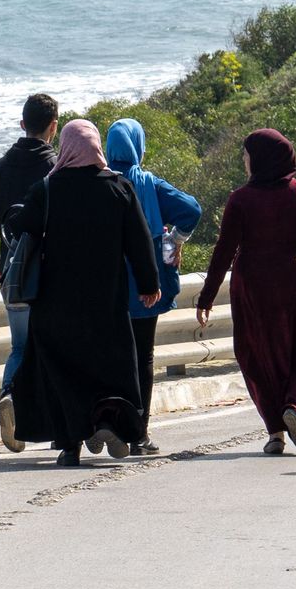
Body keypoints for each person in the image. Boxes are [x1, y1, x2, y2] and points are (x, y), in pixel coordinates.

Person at [5, 120, 162, 467]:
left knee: (63, 372)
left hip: (56, 302)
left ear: (65, 148)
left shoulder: (47, 189)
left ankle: (70, 446)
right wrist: (150, 284)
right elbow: (139, 240)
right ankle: (108, 422)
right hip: (106, 299)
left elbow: (20, 225)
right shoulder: (119, 188)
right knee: (111, 366)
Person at [194, 129, 296, 456]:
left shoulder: (240, 199)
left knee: (259, 359)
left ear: (259, 158)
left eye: (246, 155)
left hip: (252, 292)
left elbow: (223, 252)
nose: (244, 161)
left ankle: (276, 432)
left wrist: (206, 298)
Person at [105, 118, 202, 455]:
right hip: (146, 289)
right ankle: (139, 434)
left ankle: (109, 423)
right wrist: (175, 238)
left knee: (111, 358)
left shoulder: (99, 182)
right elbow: (191, 209)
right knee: (142, 356)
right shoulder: (149, 184)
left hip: (107, 289)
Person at [0, 92, 58, 453]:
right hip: (51, 276)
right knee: (53, 348)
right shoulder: (56, 166)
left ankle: (9, 393)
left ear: (22, 124)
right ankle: (57, 425)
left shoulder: (2, 166)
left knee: (20, 346)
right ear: (53, 127)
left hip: (13, 272)